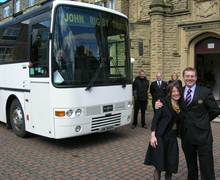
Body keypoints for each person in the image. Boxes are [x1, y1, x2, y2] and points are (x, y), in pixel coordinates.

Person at [156, 67, 220, 180]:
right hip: (186, 136)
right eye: (187, 76)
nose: (190, 78)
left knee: (207, 166)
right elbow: (168, 100)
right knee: (191, 166)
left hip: (203, 135)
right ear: (184, 77)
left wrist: (203, 121)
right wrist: (158, 103)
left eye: (192, 76)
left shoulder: (205, 91)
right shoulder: (179, 92)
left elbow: (215, 110)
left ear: (196, 77)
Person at [144, 82, 182, 180]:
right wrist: (152, 136)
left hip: (172, 138)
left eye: (178, 91)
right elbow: (155, 120)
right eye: (173, 91)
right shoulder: (162, 102)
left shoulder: (181, 103)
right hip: (160, 137)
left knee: (170, 166)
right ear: (169, 92)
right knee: (159, 166)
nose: (176, 93)